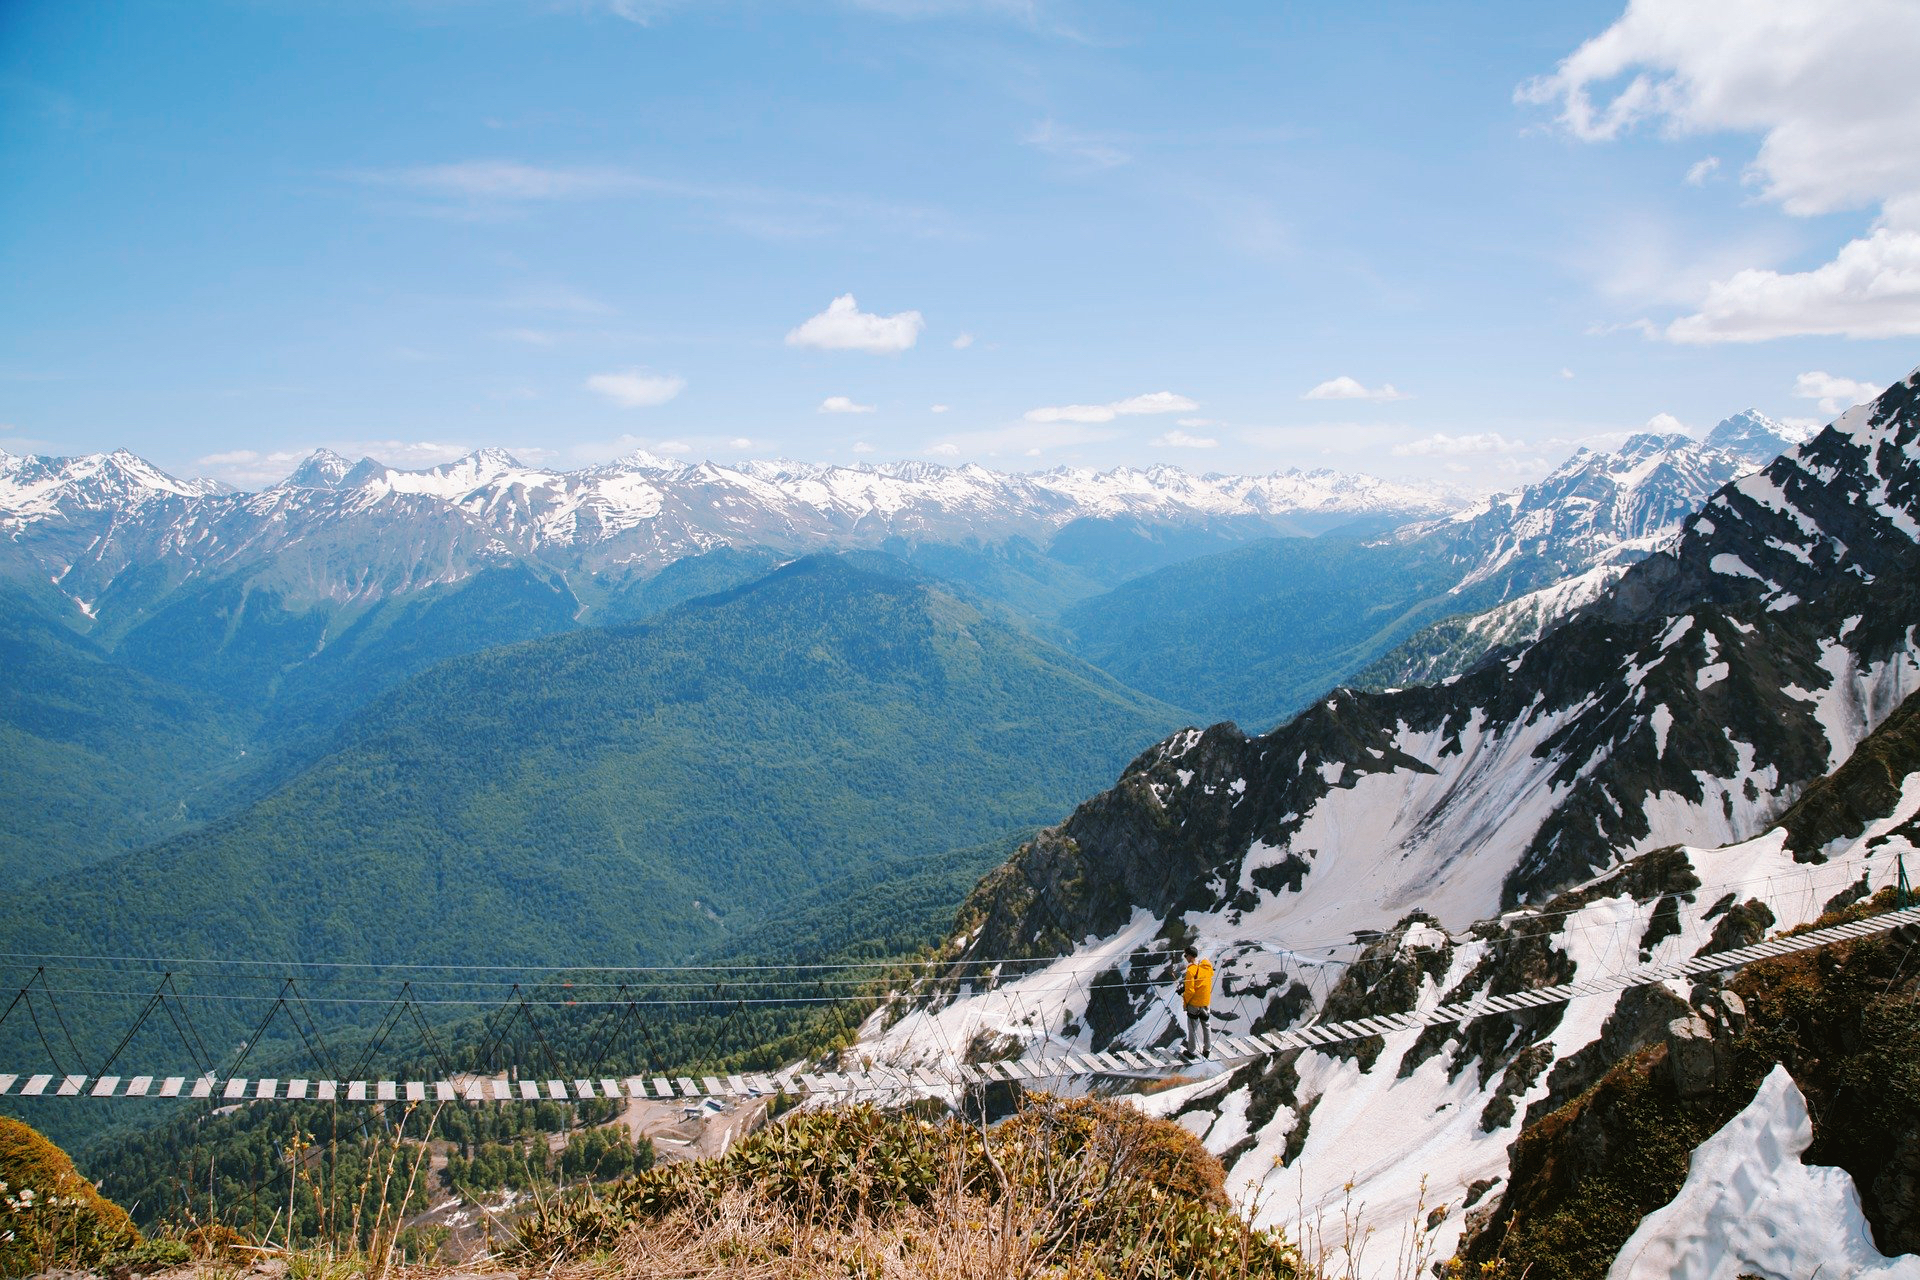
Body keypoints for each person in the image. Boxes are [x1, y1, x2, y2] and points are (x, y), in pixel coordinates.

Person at [1180, 946, 1213, 1057]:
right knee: (1206, 1025)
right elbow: (1203, 981)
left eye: (1186, 955)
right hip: (1205, 1001)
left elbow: (1190, 990)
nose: (1185, 957)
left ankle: (1191, 1051)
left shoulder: (1191, 970)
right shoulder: (1207, 967)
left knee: (1192, 1028)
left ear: (1190, 956)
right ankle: (1207, 1049)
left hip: (1194, 1003)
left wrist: (1185, 1003)